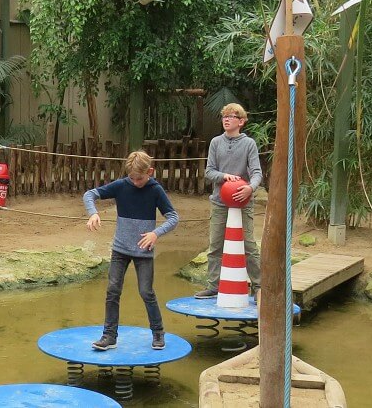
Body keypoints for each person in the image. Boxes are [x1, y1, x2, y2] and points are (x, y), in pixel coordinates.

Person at [83, 151, 179, 350]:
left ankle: (158, 333)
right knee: (112, 290)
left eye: (139, 178)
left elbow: (173, 217)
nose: (135, 182)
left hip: (143, 251)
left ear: (150, 172)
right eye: (132, 178)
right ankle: (109, 336)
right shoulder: (121, 186)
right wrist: (93, 213)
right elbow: (90, 194)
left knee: (146, 292)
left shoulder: (155, 190)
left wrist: (156, 233)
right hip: (120, 249)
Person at [195, 103, 262, 299]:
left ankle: (258, 286)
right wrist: (224, 176)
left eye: (231, 116)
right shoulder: (216, 142)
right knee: (215, 245)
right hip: (219, 201)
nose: (226, 119)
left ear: (241, 121)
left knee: (249, 245)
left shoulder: (249, 144)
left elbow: (257, 172)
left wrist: (250, 188)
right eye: (224, 116)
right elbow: (209, 171)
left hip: (243, 202)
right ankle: (213, 286)